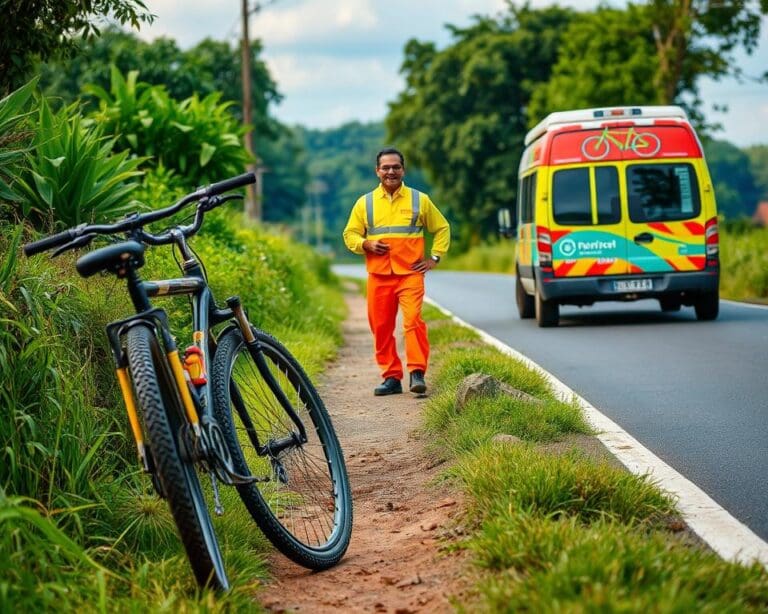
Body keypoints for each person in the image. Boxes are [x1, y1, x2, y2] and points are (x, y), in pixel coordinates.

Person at [343, 147, 450, 396]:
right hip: (378, 276)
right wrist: (366, 244)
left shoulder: (419, 200)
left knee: (413, 321)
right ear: (377, 171)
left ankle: (417, 372)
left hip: (410, 274)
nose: (391, 171)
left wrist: (435, 257)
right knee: (380, 327)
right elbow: (350, 234)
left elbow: (442, 227)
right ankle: (391, 377)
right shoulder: (364, 203)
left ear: (403, 170)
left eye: (395, 167)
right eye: (386, 167)